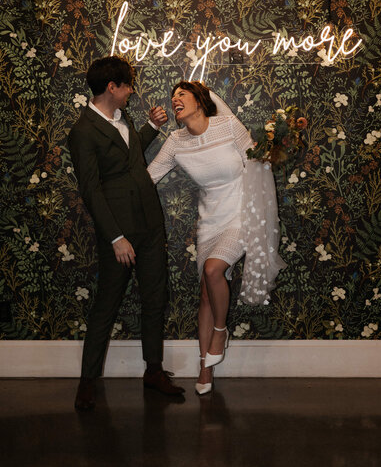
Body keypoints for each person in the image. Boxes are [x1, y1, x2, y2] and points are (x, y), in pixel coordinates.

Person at [147, 81, 286, 395]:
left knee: (213, 270)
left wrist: (275, 145)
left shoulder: (226, 125)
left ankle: (220, 333)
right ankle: (204, 370)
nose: (175, 100)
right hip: (209, 222)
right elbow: (149, 177)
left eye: (182, 94)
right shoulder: (175, 141)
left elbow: (256, 160)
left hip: (240, 215)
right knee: (206, 295)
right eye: (173, 97)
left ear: (200, 100)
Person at [68, 56, 184, 410]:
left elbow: (130, 158)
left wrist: (149, 126)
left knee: (154, 299)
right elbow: (91, 190)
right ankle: (87, 380)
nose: (131, 91)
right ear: (111, 88)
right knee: (106, 304)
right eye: (127, 85)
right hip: (119, 233)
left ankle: (153, 371)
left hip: (149, 223)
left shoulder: (122, 118)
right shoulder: (83, 131)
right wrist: (116, 237)